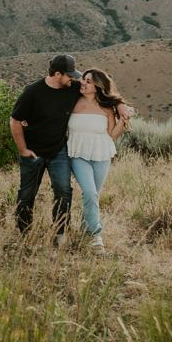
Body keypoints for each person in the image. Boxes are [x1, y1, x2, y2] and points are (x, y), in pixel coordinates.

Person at [10, 54, 132, 244]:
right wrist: (24, 149)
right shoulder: (33, 92)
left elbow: (102, 90)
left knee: (64, 191)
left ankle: (61, 234)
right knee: (27, 194)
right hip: (34, 151)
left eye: (77, 77)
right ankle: (24, 234)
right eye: (70, 75)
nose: (75, 80)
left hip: (59, 151)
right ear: (58, 74)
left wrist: (121, 105)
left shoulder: (74, 87)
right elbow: (15, 120)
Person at [68, 68, 130, 250]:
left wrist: (123, 120)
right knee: (90, 192)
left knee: (94, 195)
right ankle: (96, 236)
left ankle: (84, 228)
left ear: (97, 87)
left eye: (88, 81)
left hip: (102, 154)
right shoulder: (72, 101)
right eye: (83, 80)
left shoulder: (106, 107)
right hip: (78, 154)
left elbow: (112, 134)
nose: (83, 83)